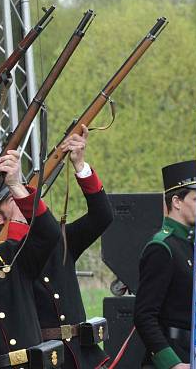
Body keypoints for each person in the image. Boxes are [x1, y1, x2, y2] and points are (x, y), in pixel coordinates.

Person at [0, 150, 64, 369]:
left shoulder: (9, 255)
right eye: (11, 200)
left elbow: (48, 233)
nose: (19, 203)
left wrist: (17, 186)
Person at [32, 126, 113, 369]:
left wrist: (80, 165)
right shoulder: (3, 253)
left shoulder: (59, 241)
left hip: (81, 356)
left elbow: (102, 216)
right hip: (42, 358)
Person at [134, 160, 196, 369]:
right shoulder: (162, 247)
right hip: (175, 358)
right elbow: (144, 316)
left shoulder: (195, 245)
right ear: (177, 201)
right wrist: (172, 363)